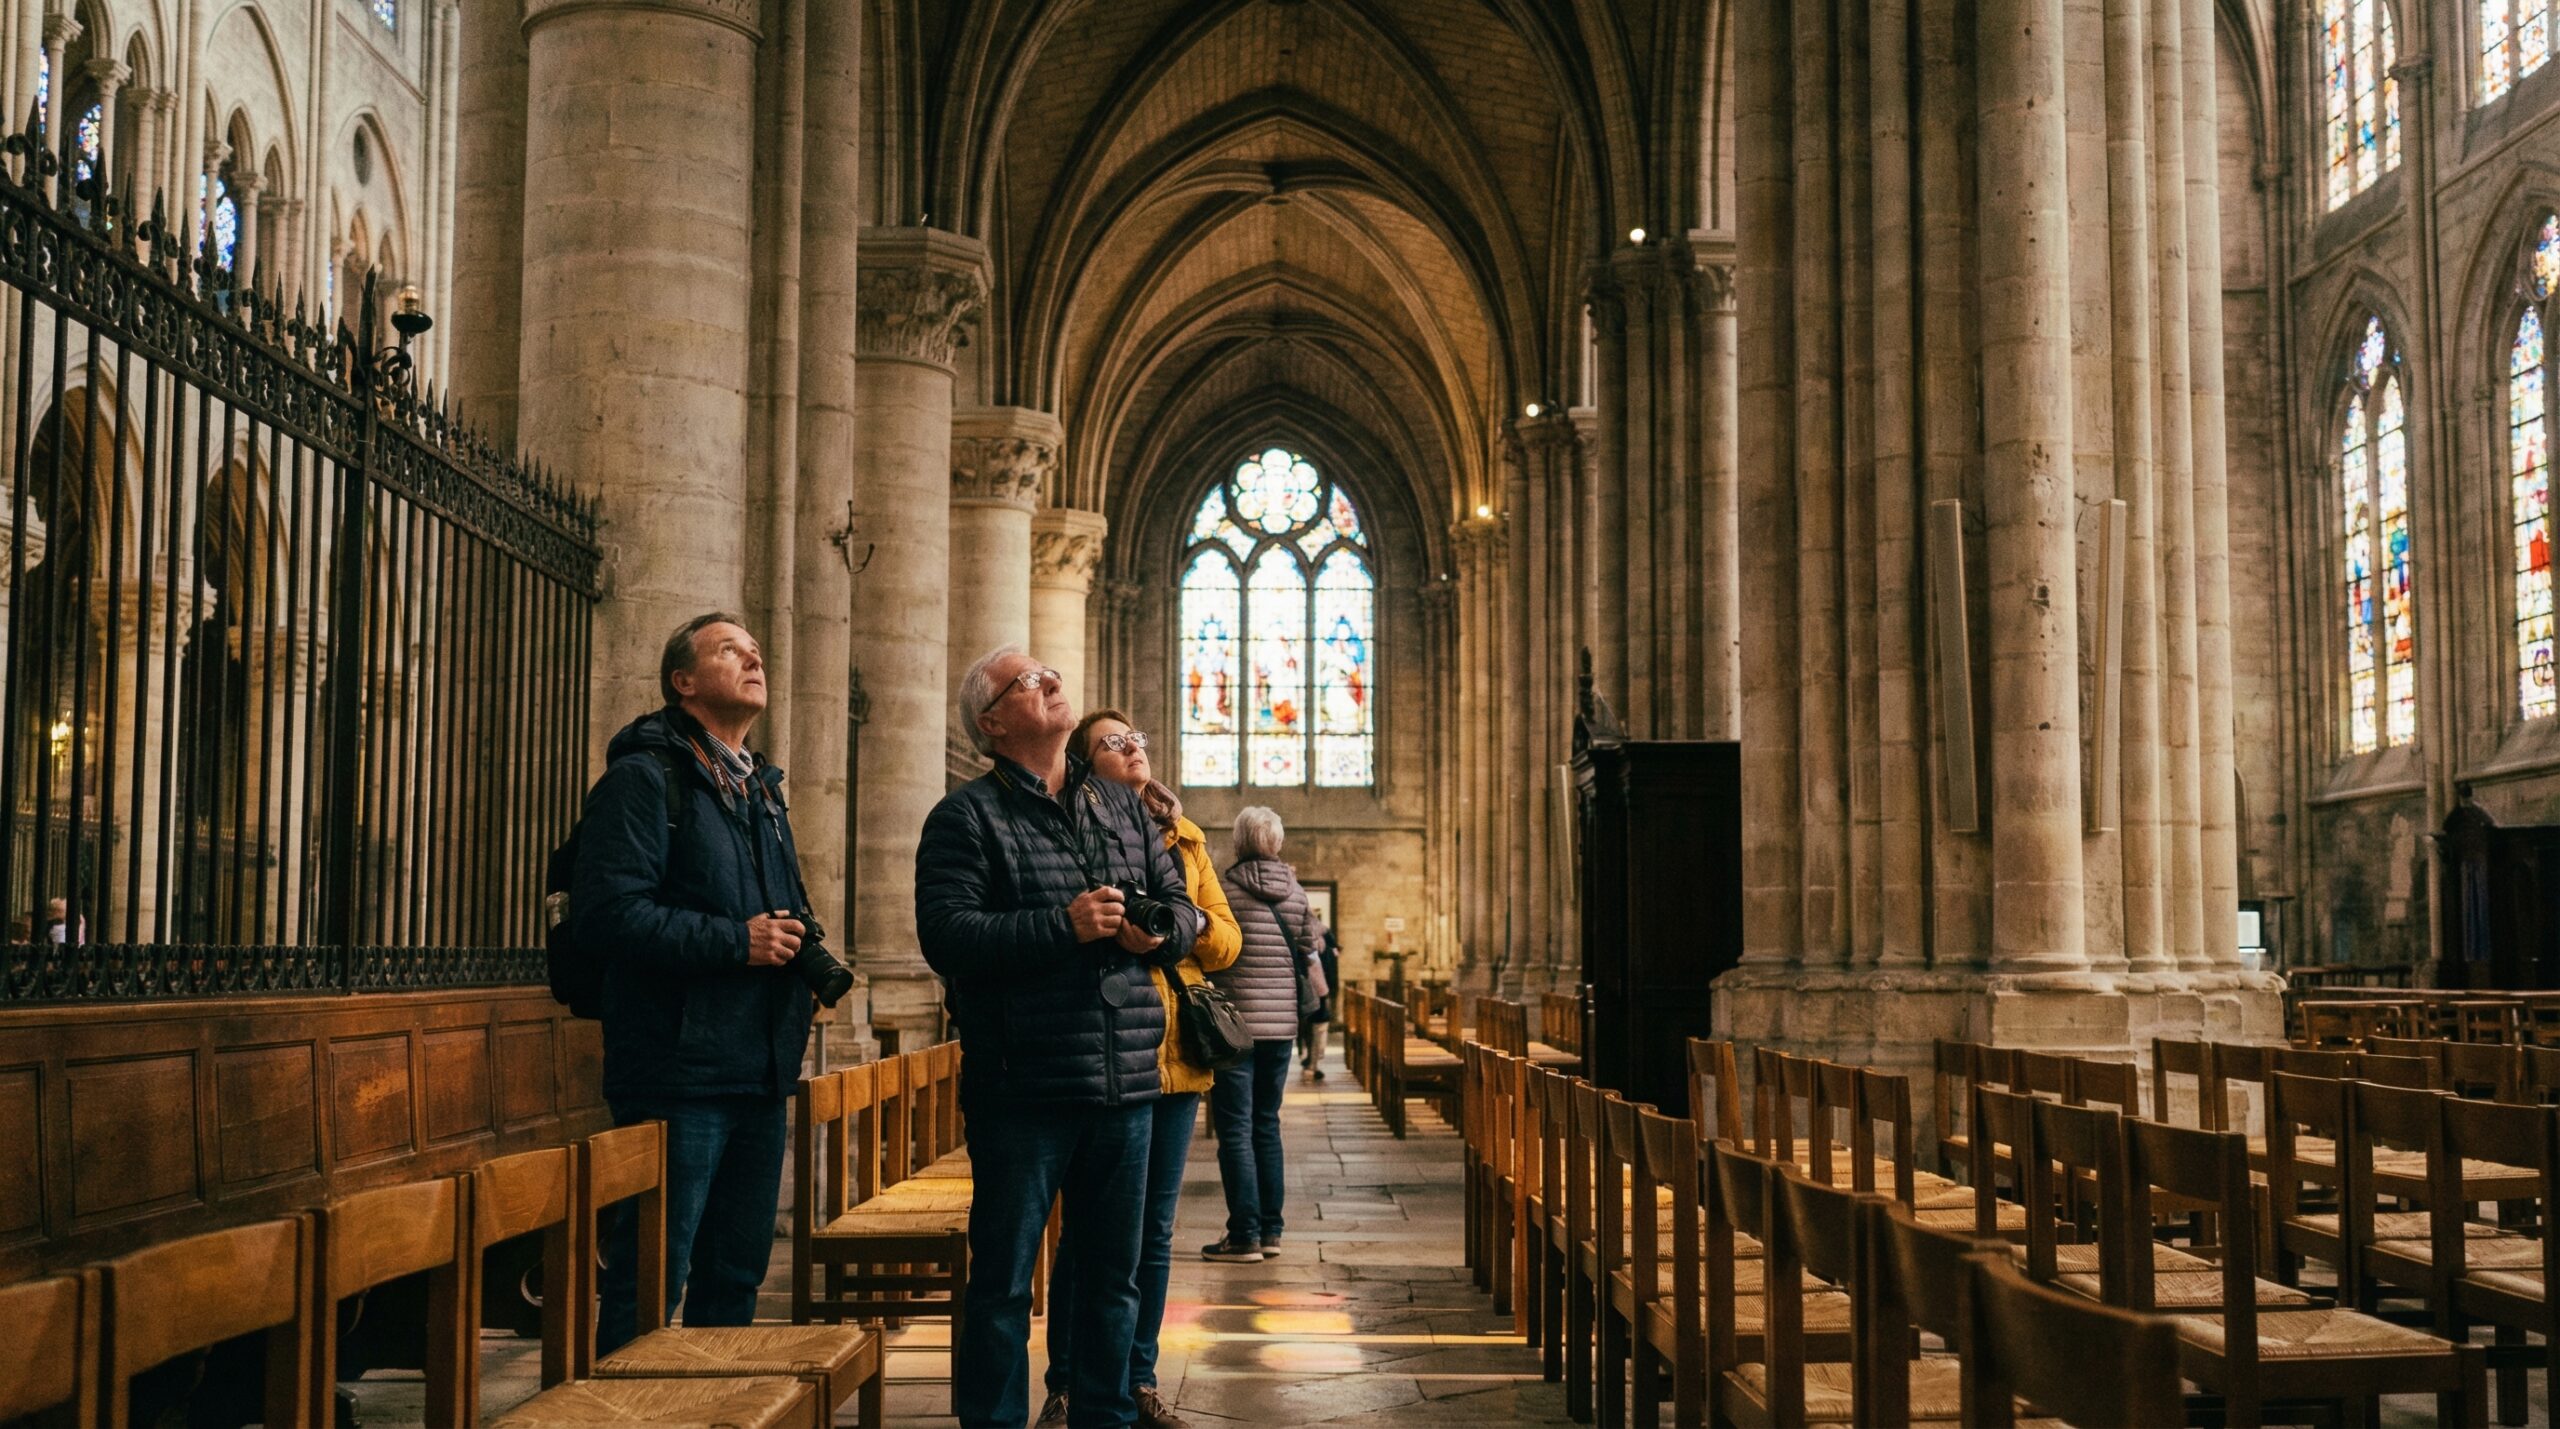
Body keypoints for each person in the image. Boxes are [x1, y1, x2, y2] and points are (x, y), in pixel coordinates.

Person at [917, 647, 1204, 1429]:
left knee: (1114, 1275)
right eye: (1026, 682)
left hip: (1126, 1081)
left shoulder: (1120, 806)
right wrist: (1064, 925)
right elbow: (948, 935)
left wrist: (1162, 933)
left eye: (1051, 675)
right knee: (1005, 1282)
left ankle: (1104, 1416)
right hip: (1024, 1084)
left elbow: (1185, 907)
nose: (1049, 682)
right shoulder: (965, 816)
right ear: (992, 721)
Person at [573, 613, 818, 1354]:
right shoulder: (644, 780)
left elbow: (782, 909)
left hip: (758, 1067)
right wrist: (735, 942)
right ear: (683, 682)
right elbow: (608, 916)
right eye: (728, 649)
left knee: (736, 1274)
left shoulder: (761, 791)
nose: (753, 656)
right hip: (678, 1070)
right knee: (652, 1278)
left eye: (755, 647)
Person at [1036, 711, 1242, 1429]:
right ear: (1085, 762)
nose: (1135, 749)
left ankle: (1136, 1380)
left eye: (1140, 739)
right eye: (1114, 742)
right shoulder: (1071, 824)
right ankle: (1067, 1383)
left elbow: (1226, 938)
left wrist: (1168, 932)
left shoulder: (1186, 839)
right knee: (1090, 1229)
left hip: (1174, 1057)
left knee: (1151, 1232)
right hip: (1099, 1049)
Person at [1202, 806, 1317, 1263]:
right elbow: (1308, 947)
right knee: (1267, 1124)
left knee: (1234, 1128)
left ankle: (1243, 1234)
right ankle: (1271, 1231)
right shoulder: (1296, 892)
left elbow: (1211, 948)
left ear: (1238, 842)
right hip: (1282, 1027)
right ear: (1279, 843)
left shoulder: (1225, 890)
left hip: (1235, 1027)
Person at [1298, 922, 1340, 1081]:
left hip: (1312, 990)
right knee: (1316, 1026)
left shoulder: (1319, 942)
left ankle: (1311, 1061)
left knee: (1311, 1026)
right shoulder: (1323, 941)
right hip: (1317, 990)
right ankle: (1312, 1062)